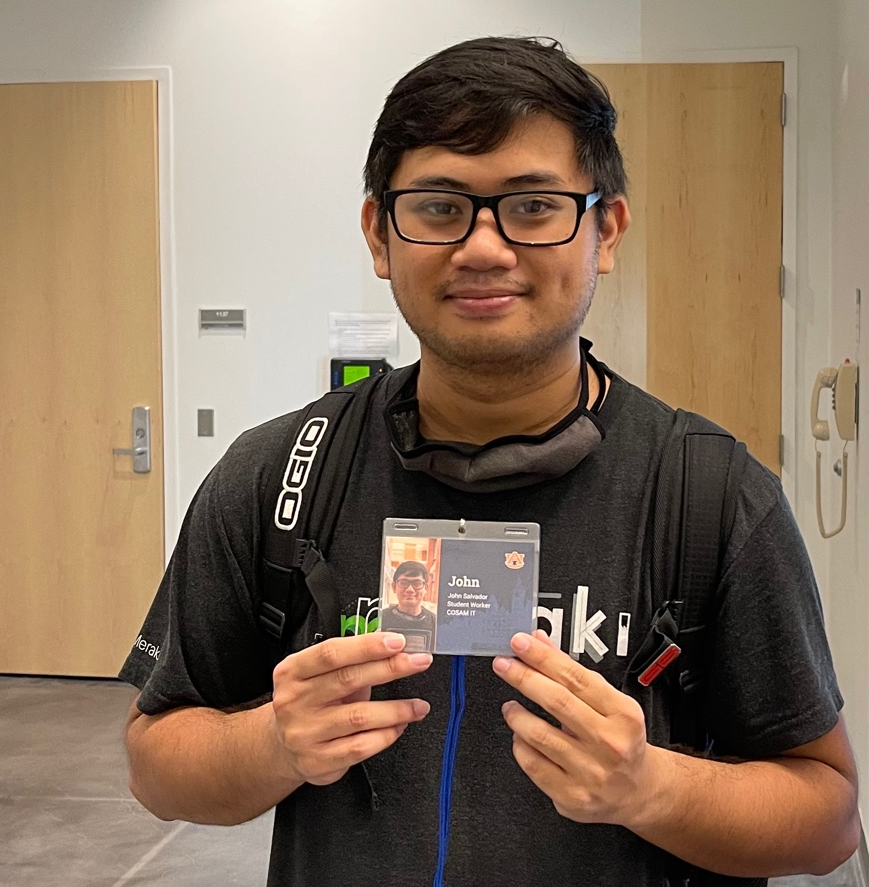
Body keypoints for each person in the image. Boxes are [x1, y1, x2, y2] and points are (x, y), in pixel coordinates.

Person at [121, 36, 860, 886]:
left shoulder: (711, 497)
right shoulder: (280, 476)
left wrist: (649, 786)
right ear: (379, 231)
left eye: (533, 205)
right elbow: (154, 762)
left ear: (605, 229)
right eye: (438, 206)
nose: (482, 247)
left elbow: (825, 815)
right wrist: (273, 742)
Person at [379, 560, 437, 651]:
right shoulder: (380, 619)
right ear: (394, 587)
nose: (410, 589)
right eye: (403, 583)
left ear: (426, 588)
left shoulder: (436, 623)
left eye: (417, 584)